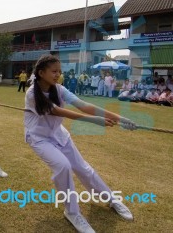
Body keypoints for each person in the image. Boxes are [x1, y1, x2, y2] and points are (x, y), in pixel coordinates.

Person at [24, 55, 136, 233]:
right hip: (39, 138)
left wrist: (120, 118)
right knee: (63, 166)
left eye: (59, 72)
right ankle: (72, 212)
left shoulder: (59, 89)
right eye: (54, 72)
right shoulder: (31, 94)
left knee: (83, 168)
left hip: (60, 135)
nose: (58, 75)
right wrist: (95, 121)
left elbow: (84, 105)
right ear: (41, 72)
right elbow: (57, 111)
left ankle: (111, 199)